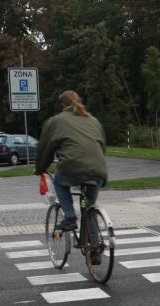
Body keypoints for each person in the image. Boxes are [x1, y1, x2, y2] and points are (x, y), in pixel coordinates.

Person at [35, 90, 108, 262]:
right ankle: (95, 245)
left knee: (60, 182)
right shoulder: (93, 120)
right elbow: (102, 147)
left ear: (62, 105)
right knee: (89, 206)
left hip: (72, 168)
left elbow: (45, 148)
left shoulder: (56, 121)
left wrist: (41, 168)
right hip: (98, 170)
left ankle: (69, 217)